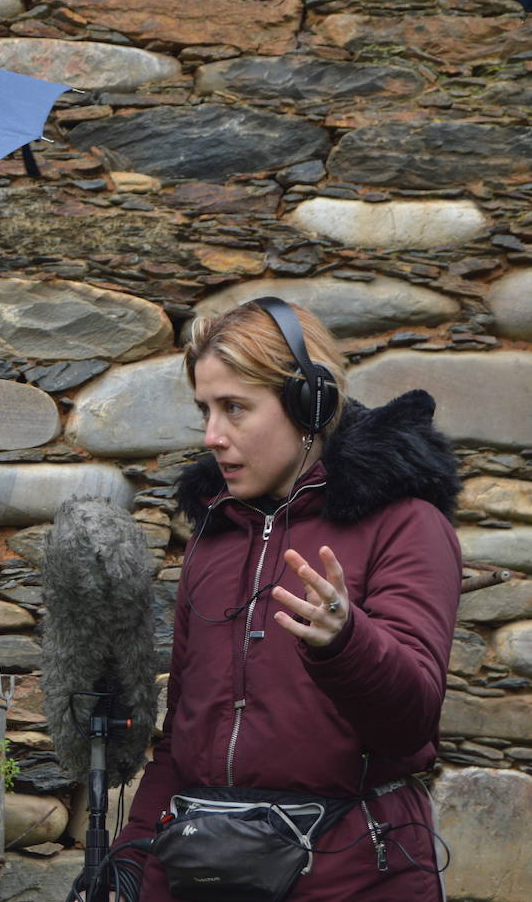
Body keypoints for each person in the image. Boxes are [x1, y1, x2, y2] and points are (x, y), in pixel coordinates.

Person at [109, 299, 462, 901]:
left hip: (353, 877)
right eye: (205, 410)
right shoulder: (211, 538)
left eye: (236, 408)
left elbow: (412, 722)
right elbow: (180, 739)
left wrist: (347, 642)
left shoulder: (407, 523)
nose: (212, 436)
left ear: (309, 406)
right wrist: (134, 859)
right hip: (201, 874)